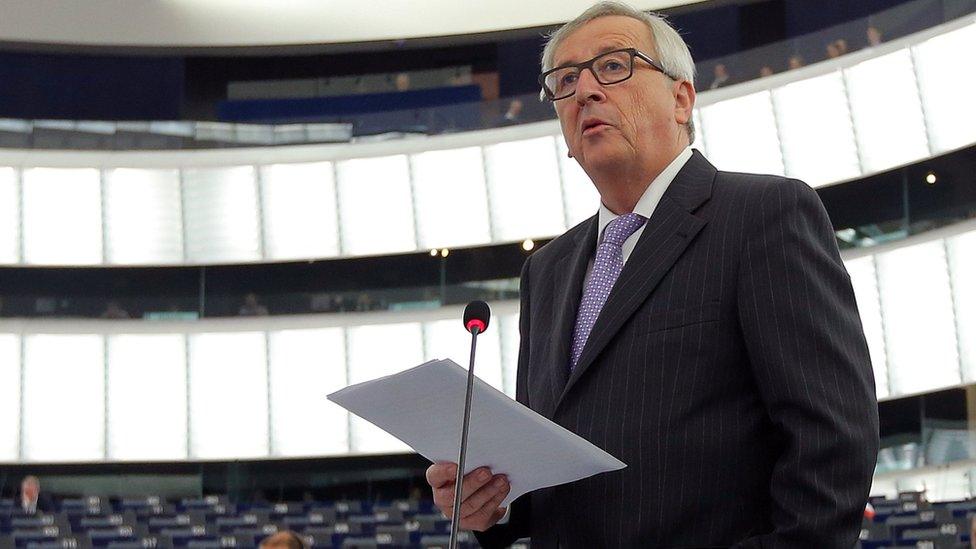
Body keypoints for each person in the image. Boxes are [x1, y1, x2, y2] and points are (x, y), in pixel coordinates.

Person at [425, 2, 878, 547]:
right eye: (565, 80)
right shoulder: (545, 271)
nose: (585, 91)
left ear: (682, 98)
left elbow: (832, 440)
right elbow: (550, 469)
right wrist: (491, 505)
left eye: (613, 66)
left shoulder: (764, 214)